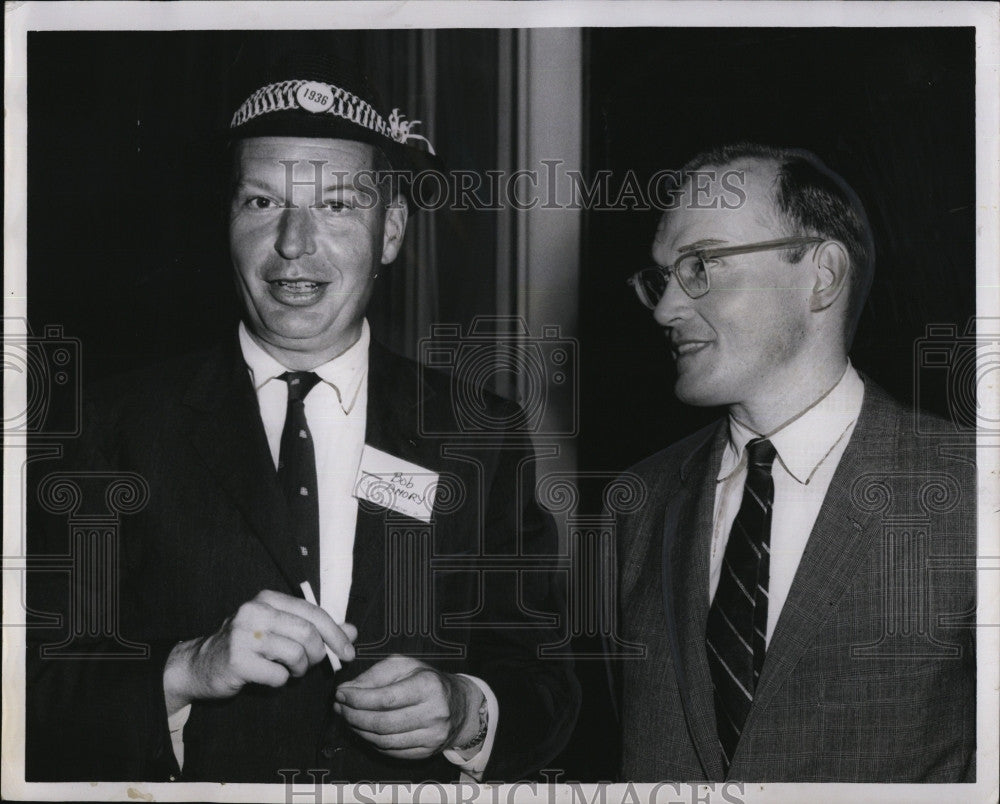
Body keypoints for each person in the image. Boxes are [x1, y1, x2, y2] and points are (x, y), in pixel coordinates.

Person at [26, 53, 578, 783]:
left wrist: (466, 709)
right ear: (224, 220)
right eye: (261, 202)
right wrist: (186, 670)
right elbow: (30, 689)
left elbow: (551, 684)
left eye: (338, 205)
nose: (293, 243)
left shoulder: (479, 430)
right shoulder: (110, 425)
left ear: (390, 232)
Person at [614, 143, 976, 782]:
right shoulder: (638, 500)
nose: (666, 308)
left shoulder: (973, 492)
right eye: (662, 276)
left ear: (822, 275)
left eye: (702, 263)